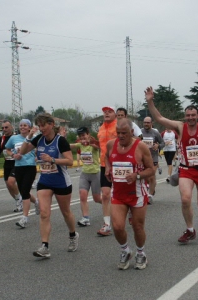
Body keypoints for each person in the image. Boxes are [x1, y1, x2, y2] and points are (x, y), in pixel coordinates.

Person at [145, 86, 198, 244]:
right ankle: (190, 229)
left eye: (193, 115)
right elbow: (159, 119)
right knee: (185, 199)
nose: (190, 118)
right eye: (187, 115)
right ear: (185, 116)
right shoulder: (180, 127)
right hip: (186, 170)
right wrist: (150, 102)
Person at [19, 113, 78, 258]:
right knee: (44, 213)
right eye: (39, 126)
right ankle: (44, 246)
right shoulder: (38, 139)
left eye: (43, 125)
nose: (41, 128)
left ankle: (73, 235)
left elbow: (70, 161)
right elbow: (22, 152)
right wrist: (28, 137)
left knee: (66, 213)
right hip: (45, 181)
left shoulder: (60, 141)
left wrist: (52, 159)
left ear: (51, 124)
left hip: (61, 181)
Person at [105, 118, 155, 269]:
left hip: (137, 193)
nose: (120, 136)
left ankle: (141, 253)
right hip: (118, 193)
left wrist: (137, 176)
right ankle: (125, 250)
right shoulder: (111, 144)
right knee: (118, 226)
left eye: (124, 133)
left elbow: (151, 169)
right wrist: (107, 168)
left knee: (137, 226)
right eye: (118, 133)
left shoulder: (141, 147)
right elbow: (107, 157)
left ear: (132, 132)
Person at [5, 119, 39, 228]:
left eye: (25, 125)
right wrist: (13, 155)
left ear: (29, 127)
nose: (22, 127)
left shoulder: (34, 138)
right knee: (23, 191)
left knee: (25, 191)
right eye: (21, 125)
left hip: (30, 167)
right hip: (18, 167)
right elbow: (8, 149)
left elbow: (40, 149)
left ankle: (24, 218)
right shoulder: (14, 138)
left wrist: (37, 156)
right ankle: (37, 202)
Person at [70, 126, 102, 227]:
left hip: (95, 173)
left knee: (97, 199)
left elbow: (99, 147)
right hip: (85, 174)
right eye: (80, 136)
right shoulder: (80, 144)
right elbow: (70, 146)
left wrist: (92, 143)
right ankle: (85, 218)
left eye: (83, 135)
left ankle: (111, 205)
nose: (82, 137)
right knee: (83, 195)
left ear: (88, 134)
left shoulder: (93, 144)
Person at [0, 120, 22, 212]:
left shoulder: (17, 137)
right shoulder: (2, 139)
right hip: (7, 163)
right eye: (3, 128)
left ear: (11, 127)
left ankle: (20, 200)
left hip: (17, 163)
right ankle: (19, 201)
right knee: (8, 185)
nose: (4, 129)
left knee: (11, 182)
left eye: (6, 127)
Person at [97, 106, 118, 236]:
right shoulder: (100, 128)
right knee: (105, 194)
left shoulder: (119, 126)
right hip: (104, 164)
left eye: (110, 111)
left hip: (118, 164)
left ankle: (131, 213)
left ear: (115, 114)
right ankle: (107, 224)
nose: (106, 113)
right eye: (105, 112)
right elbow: (101, 146)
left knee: (121, 193)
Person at [141, 117, 164, 204]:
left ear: (151, 123)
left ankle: (150, 195)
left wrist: (158, 146)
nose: (146, 124)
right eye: (144, 122)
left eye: (148, 123)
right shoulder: (140, 132)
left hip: (153, 158)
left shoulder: (155, 133)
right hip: (142, 158)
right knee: (145, 177)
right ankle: (150, 189)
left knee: (151, 176)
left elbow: (163, 143)